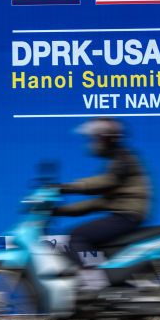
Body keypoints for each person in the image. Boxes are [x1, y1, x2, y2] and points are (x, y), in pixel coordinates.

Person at [52, 118, 150, 289]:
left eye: (95, 138)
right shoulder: (117, 161)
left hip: (127, 215)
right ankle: (109, 281)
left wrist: (68, 187)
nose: (93, 143)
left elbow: (105, 182)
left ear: (107, 139)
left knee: (77, 236)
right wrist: (61, 210)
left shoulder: (123, 160)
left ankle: (95, 283)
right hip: (125, 214)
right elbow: (97, 203)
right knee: (89, 239)